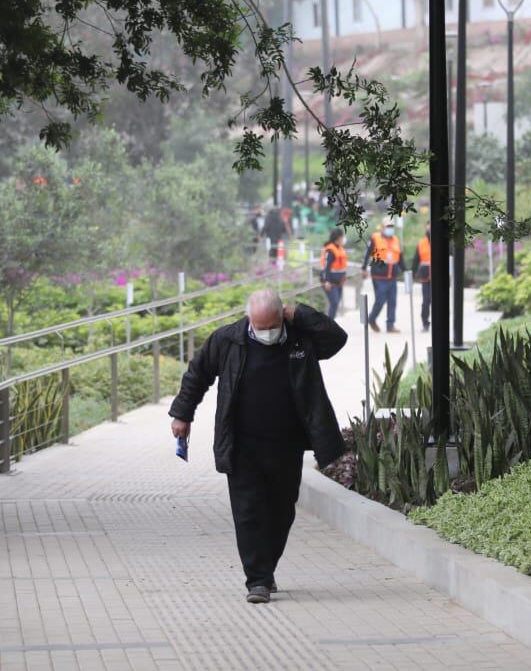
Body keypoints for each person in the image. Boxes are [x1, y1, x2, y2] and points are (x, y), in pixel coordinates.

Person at [168, 290, 347, 604]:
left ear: (282, 316)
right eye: (259, 326)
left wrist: (299, 313)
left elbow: (336, 338)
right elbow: (197, 374)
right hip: (242, 444)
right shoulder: (227, 340)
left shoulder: (300, 339)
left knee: (282, 511)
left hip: (287, 443)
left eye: (272, 326)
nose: (266, 333)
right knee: (248, 511)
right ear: (248, 318)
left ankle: (266, 567)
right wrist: (182, 414)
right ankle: (258, 580)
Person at [360, 220, 405, 333]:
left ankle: (390, 325)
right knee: (380, 300)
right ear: (382, 227)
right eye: (388, 226)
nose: (390, 228)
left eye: (391, 226)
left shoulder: (396, 240)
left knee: (392, 301)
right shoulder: (375, 238)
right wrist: (364, 268)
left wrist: (407, 272)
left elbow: (400, 258)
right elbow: (367, 254)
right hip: (379, 276)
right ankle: (371, 319)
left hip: (392, 277)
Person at [319, 228, 349, 319]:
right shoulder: (330, 250)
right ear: (338, 238)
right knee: (334, 302)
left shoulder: (340, 249)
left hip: (338, 282)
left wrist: (344, 277)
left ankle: (329, 323)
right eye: (342, 236)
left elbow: (341, 266)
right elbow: (326, 267)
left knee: (336, 304)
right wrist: (326, 281)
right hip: (330, 282)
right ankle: (329, 324)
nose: (343, 239)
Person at [413, 223, 432, 331]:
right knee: (426, 301)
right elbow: (416, 260)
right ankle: (425, 323)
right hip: (425, 277)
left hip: (439, 277)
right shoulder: (421, 243)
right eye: (428, 227)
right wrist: (412, 274)